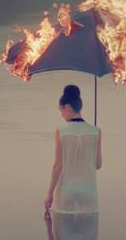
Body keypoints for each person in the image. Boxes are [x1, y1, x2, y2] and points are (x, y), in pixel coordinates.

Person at [43, 84, 102, 240]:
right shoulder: (96, 131)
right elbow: (97, 164)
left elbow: (58, 165)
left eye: (60, 109)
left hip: (65, 194)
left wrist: (49, 193)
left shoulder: (61, 131)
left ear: (67, 107)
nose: (61, 114)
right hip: (89, 195)